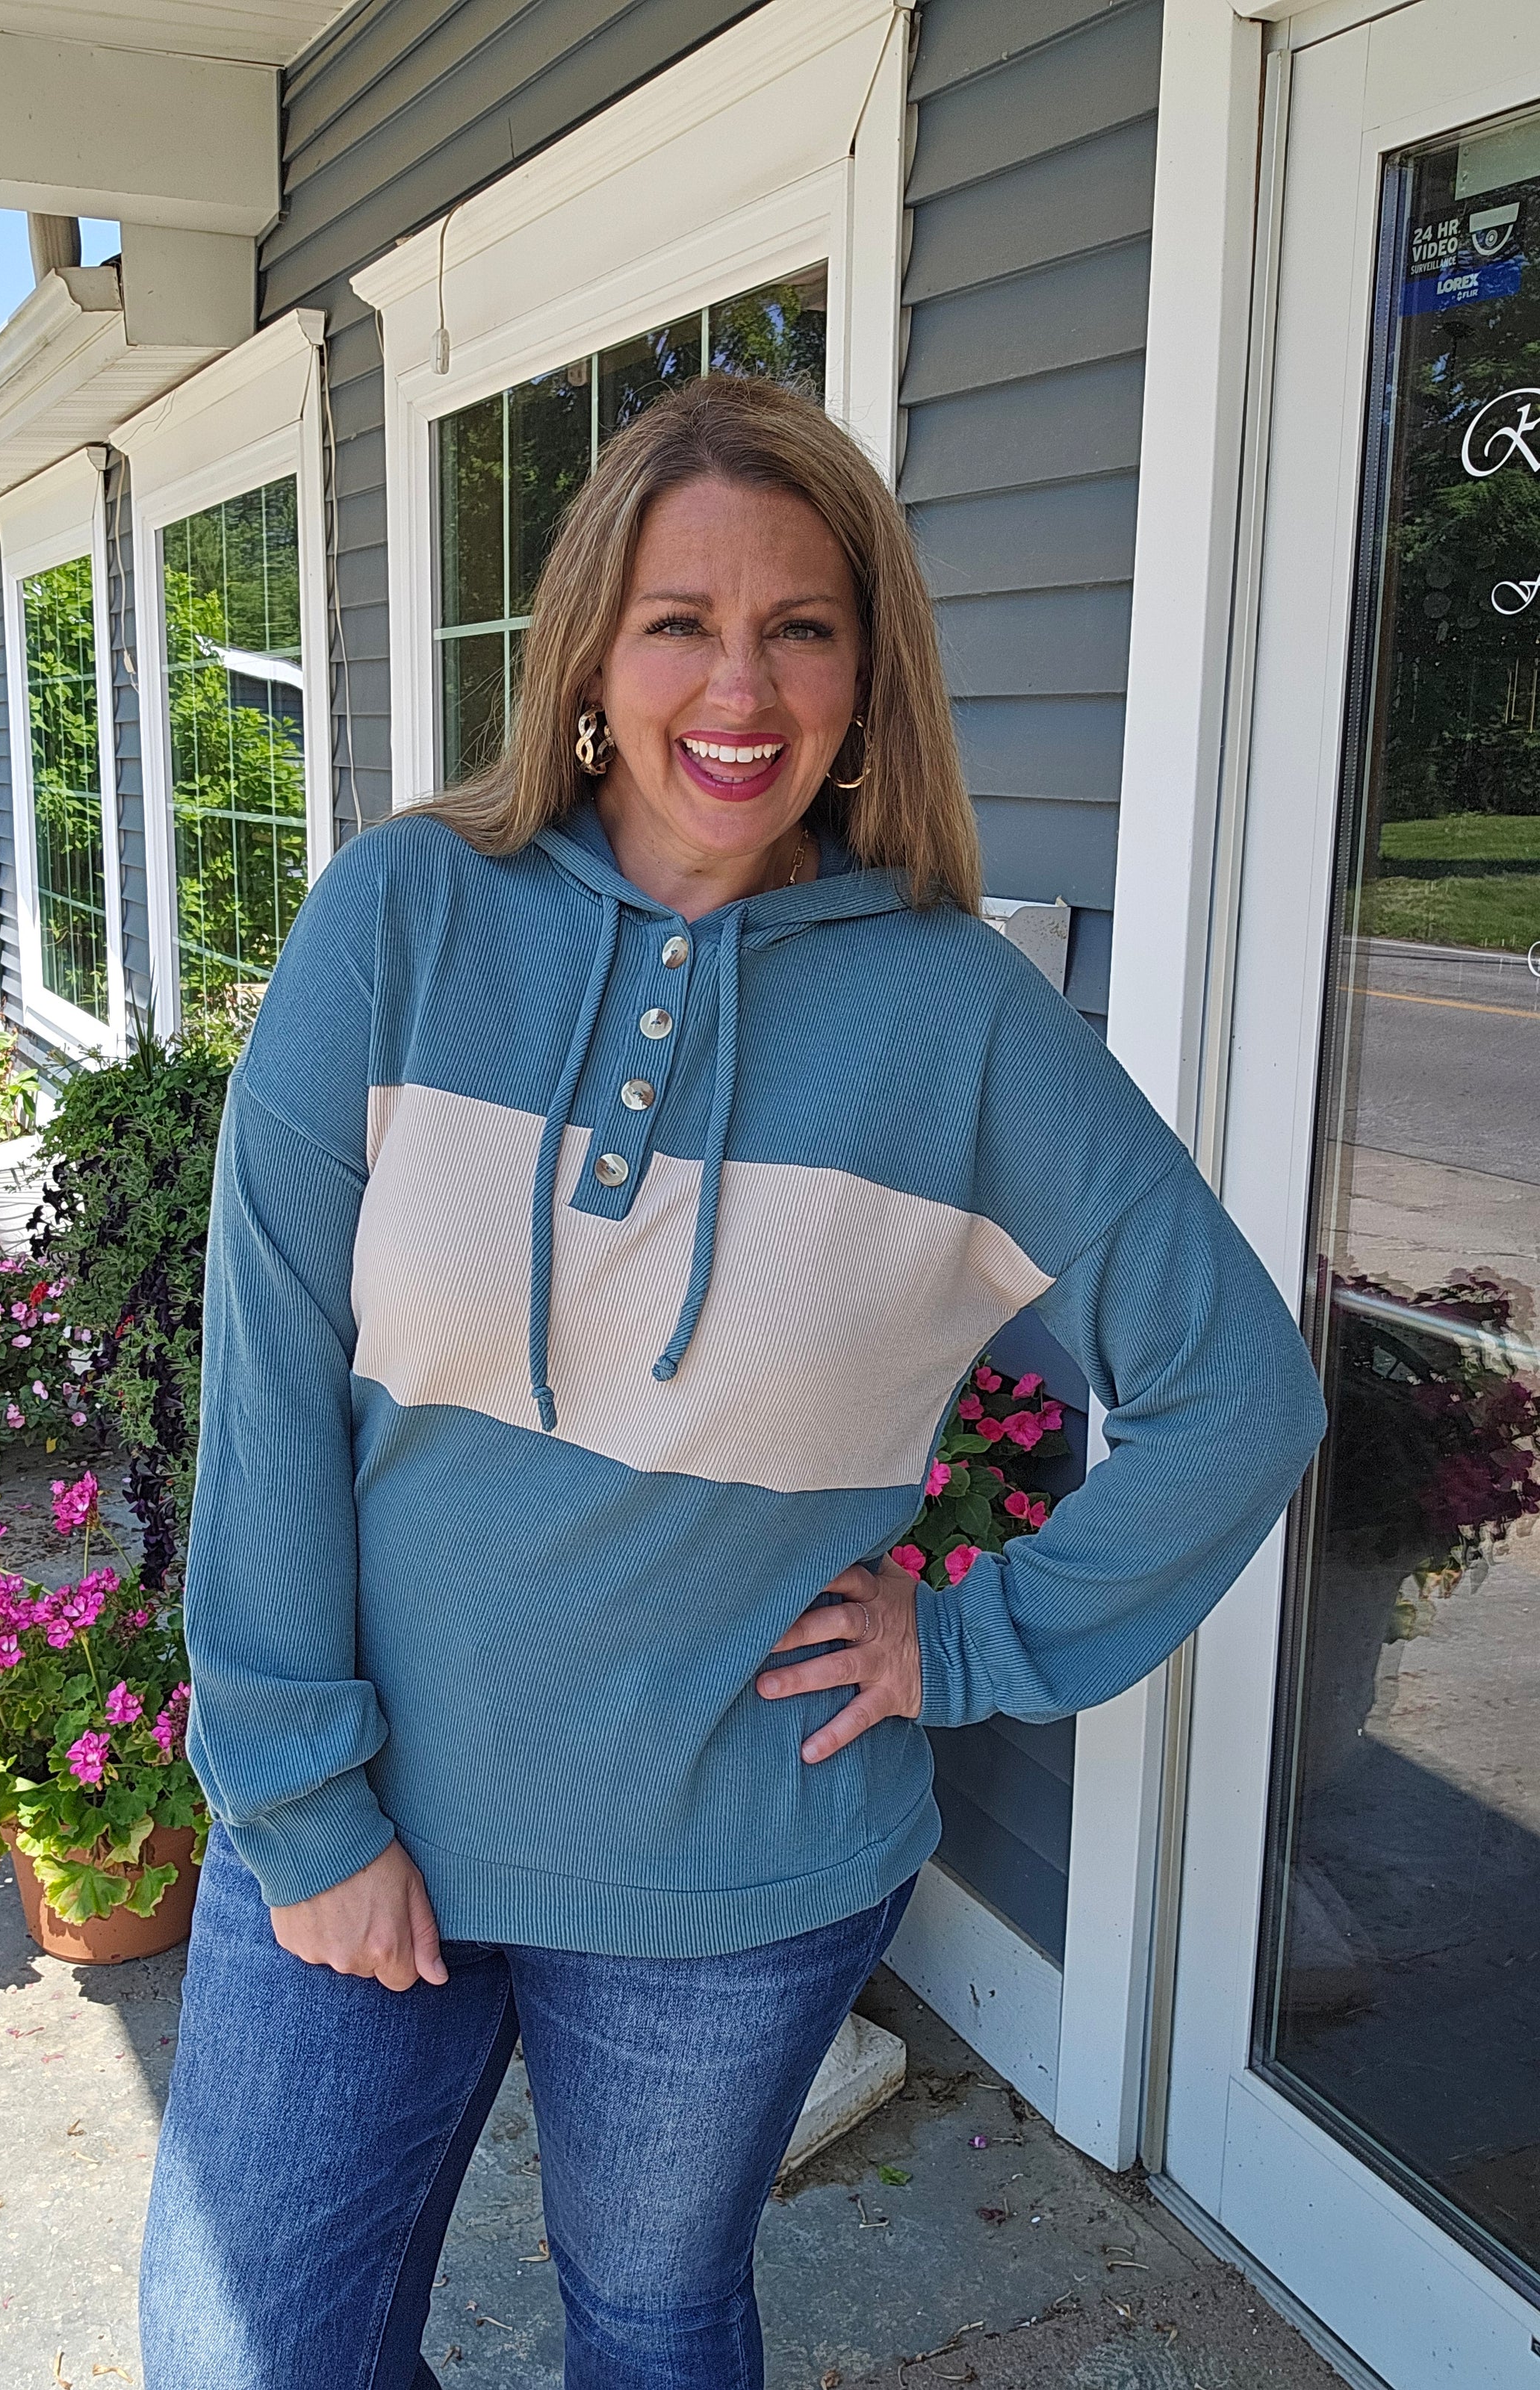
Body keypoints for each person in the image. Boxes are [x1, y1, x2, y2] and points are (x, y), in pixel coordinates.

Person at [138, 375, 1326, 2389]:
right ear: (590, 655)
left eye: (802, 628)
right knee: (247, 2352)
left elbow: (1239, 1391)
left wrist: (973, 1639)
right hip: (363, 1808)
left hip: (734, 1866)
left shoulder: (961, 1018)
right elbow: (265, 1369)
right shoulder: (406, 915)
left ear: (870, 679)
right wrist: (298, 1800)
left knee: (654, 2321)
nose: (740, 687)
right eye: (680, 619)